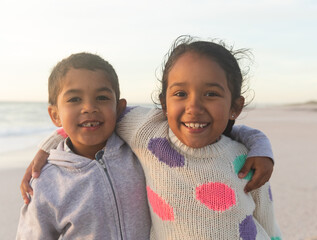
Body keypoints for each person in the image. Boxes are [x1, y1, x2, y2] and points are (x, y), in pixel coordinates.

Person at [113, 36, 282, 239]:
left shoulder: (247, 160)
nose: (194, 107)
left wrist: (260, 147)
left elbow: (268, 224)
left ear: (235, 107)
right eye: (180, 93)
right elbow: (97, 118)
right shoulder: (146, 131)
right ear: (164, 104)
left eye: (211, 94)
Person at [16, 53, 151, 239]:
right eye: (74, 99)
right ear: (55, 115)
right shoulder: (46, 182)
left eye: (102, 97)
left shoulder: (140, 154)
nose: (89, 107)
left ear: (119, 109)